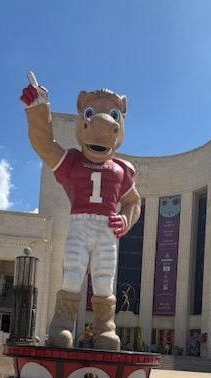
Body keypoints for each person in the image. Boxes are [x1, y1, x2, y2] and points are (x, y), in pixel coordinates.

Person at [20, 73, 141, 350]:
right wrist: (38, 109)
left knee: (104, 279)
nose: (102, 124)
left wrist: (125, 219)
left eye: (114, 115)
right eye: (90, 113)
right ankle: (61, 326)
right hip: (80, 224)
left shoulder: (122, 170)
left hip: (106, 230)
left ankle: (105, 329)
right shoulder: (72, 162)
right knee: (72, 274)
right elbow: (45, 145)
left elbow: (134, 201)